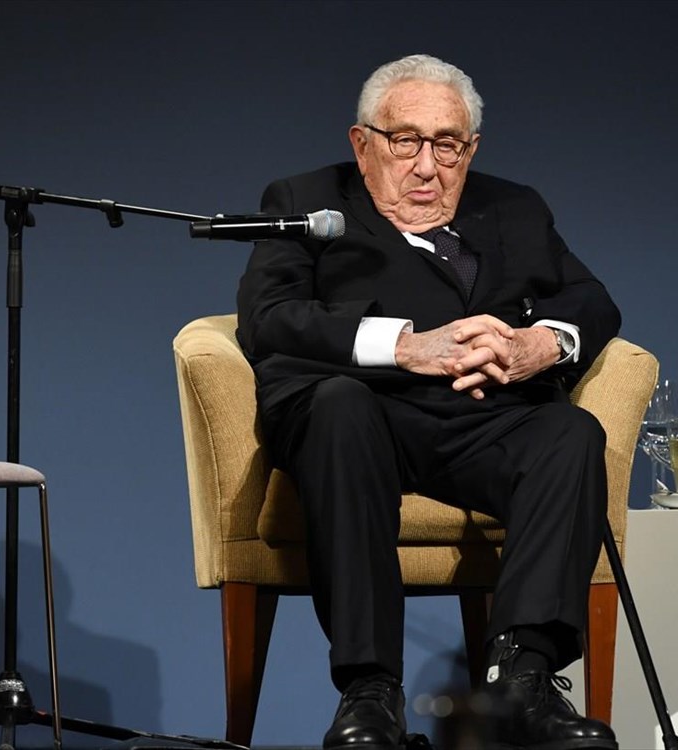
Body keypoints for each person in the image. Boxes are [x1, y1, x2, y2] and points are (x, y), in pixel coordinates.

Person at [236, 54, 622, 750]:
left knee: (570, 433)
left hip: (480, 418)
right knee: (341, 409)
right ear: (363, 145)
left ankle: (522, 680)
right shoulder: (306, 201)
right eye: (405, 140)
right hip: (357, 413)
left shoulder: (515, 208)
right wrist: (406, 346)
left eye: (446, 145)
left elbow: (591, 299)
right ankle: (370, 690)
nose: (425, 166)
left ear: (470, 150)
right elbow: (269, 318)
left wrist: (543, 343)